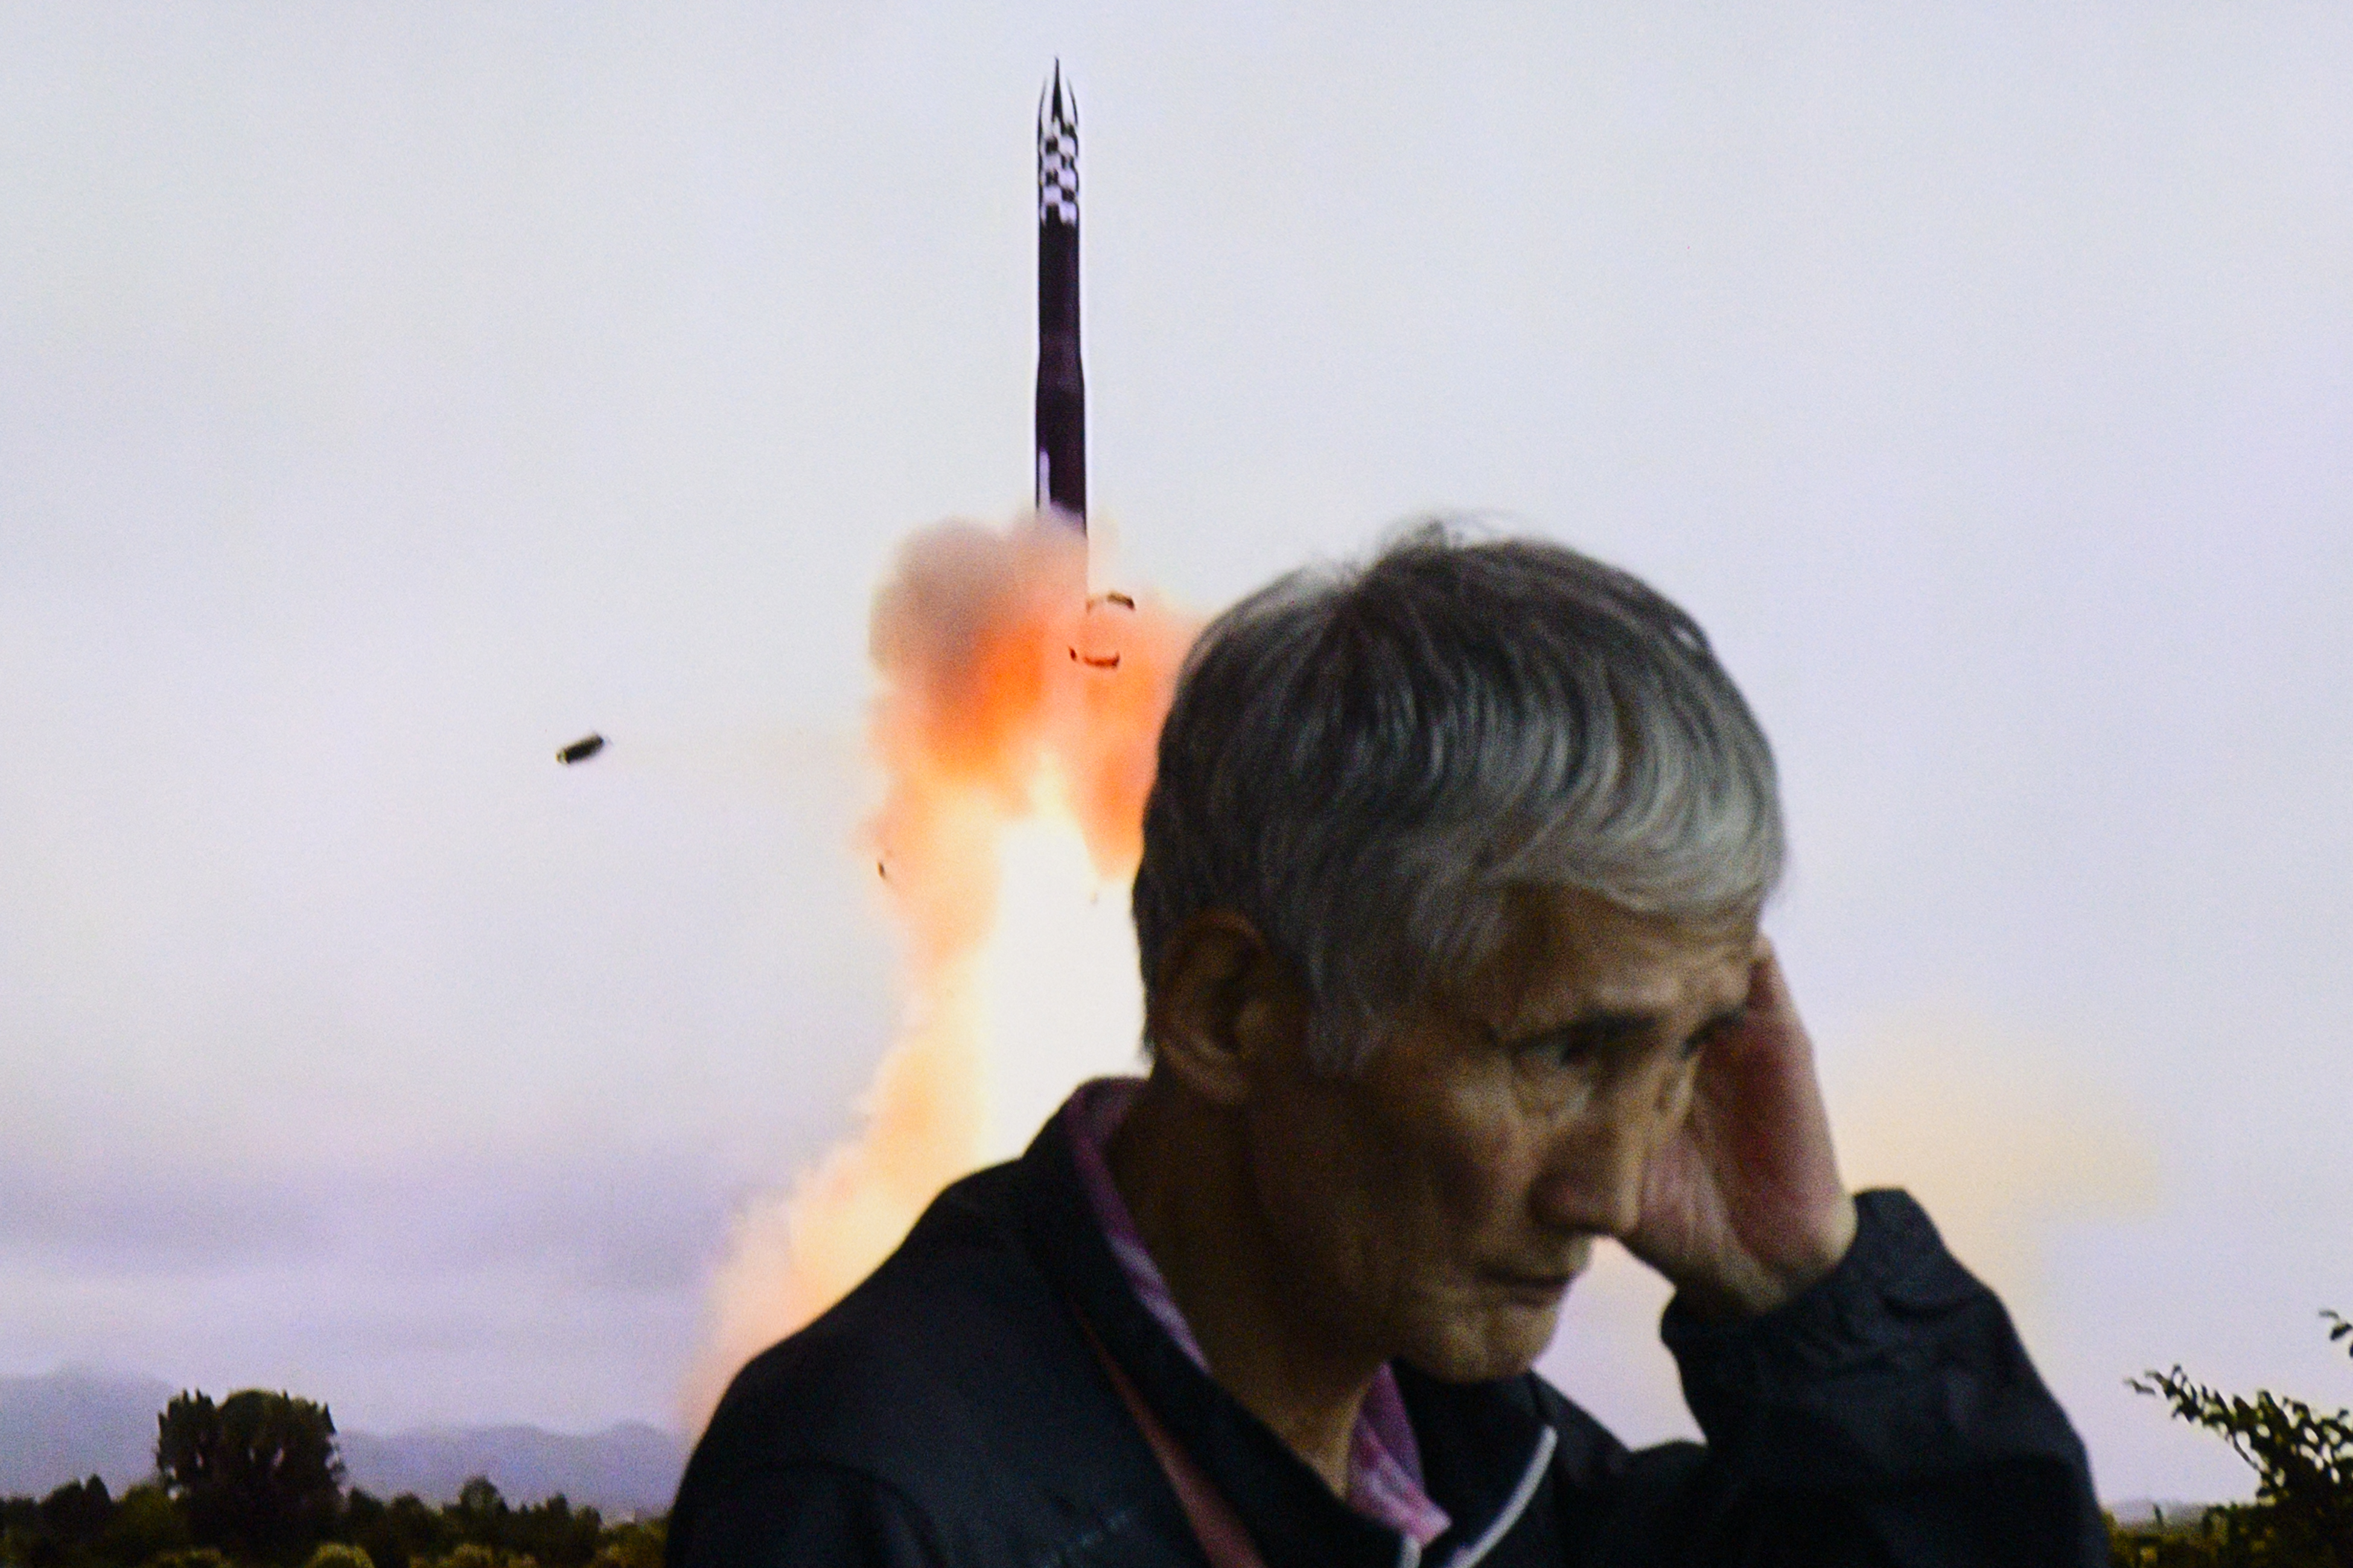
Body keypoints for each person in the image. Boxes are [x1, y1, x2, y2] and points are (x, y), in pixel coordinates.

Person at [668, 527, 2106, 1567]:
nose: (1610, 1196)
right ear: (1232, 1008)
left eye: (1681, 1053)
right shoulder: (876, 1508)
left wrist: (1809, 1300)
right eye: (1560, 1054)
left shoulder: (1482, 1477)